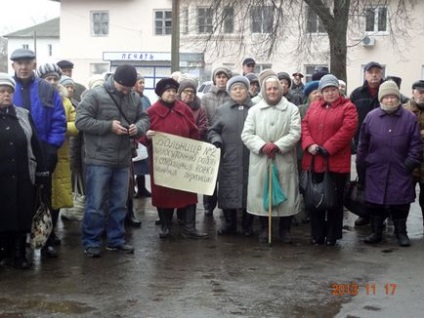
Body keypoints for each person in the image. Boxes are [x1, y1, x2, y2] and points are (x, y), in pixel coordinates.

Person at [75, 64, 150, 258]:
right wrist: (109, 126)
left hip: (123, 160)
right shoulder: (95, 95)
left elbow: (144, 118)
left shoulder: (134, 97)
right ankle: (91, 241)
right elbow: (80, 121)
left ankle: (116, 240)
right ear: (114, 81)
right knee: (96, 203)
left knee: (120, 203)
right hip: (98, 159)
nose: (126, 91)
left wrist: (138, 129)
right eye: (123, 87)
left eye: (129, 87)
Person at [11, 49, 66, 255]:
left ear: (34, 64)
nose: (23, 67)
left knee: (44, 199)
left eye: (27, 63)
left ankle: (46, 239)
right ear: (13, 66)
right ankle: (18, 243)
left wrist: (52, 148)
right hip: (15, 153)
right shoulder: (7, 87)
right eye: (19, 63)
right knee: (17, 198)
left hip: (43, 151)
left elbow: (58, 119)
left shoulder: (46, 88)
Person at [140, 78, 208, 239]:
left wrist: (194, 147)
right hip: (162, 161)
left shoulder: (183, 109)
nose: (171, 94)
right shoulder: (151, 112)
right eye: (167, 91)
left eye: (173, 91)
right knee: (165, 193)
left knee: (188, 193)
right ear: (160, 93)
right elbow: (141, 134)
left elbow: (193, 130)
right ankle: (166, 226)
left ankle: (189, 228)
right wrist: (147, 137)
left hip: (184, 159)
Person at [357, 81, 422, 247]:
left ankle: (401, 233)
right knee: (375, 203)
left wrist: (410, 163)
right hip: (376, 168)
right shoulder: (371, 117)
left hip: (400, 168)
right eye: (386, 97)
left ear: (398, 98)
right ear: (381, 99)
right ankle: (376, 232)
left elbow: (416, 144)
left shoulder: (409, 118)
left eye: (393, 96)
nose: (390, 100)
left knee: (400, 203)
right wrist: (362, 166)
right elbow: (363, 144)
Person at [241, 71, 301, 243]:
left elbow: (295, 132)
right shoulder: (254, 110)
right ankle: (264, 229)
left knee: (286, 195)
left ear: (280, 90)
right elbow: (246, 134)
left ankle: (285, 230)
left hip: (283, 159)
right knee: (261, 194)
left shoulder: (292, 109)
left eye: (275, 88)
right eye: (269, 89)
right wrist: (262, 146)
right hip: (261, 160)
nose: (273, 91)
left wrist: (278, 145)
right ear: (264, 90)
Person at [301, 74, 358, 246]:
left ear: (338, 90)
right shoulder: (314, 107)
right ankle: (317, 234)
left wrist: (328, 147)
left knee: (334, 200)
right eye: (326, 90)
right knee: (314, 199)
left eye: (333, 89)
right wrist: (309, 144)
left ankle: (332, 236)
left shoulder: (348, 107)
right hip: (314, 161)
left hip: (335, 163)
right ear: (321, 92)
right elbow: (304, 126)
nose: (330, 93)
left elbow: (348, 130)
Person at [0, 73, 48, 269]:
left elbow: (36, 144)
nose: (6, 95)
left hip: (23, 174)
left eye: (9, 92)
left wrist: (41, 171)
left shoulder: (24, 114)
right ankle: (4, 251)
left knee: (21, 214)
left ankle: (20, 253)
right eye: (2, 91)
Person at [36, 63, 79, 257]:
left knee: (56, 200)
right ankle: (37, 235)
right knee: (38, 198)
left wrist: (60, 128)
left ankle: (51, 233)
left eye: (55, 78)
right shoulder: (36, 98)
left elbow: (76, 124)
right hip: (39, 154)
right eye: (48, 79)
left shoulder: (65, 100)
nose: (52, 82)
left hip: (60, 156)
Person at [208, 76, 254, 236]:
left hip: (251, 157)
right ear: (229, 92)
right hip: (229, 157)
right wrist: (216, 140)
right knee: (228, 189)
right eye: (235, 88)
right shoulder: (222, 110)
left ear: (247, 90)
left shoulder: (255, 108)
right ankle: (230, 224)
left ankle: (247, 225)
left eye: (241, 88)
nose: (238, 91)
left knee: (250, 190)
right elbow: (213, 130)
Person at [349, 61, 384, 226]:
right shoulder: (357, 94)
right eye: (371, 72)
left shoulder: (388, 92)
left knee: (381, 181)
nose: (374, 75)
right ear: (365, 75)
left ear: (381, 74)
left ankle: (381, 216)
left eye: (377, 72)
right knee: (363, 181)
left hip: (383, 145)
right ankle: (365, 213)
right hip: (362, 144)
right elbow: (350, 118)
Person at [201, 66, 232, 217]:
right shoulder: (206, 97)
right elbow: (203, 117)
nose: (221, 79)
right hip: (210, 140)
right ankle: (208, 204)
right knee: (210, 175)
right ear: (214, 79)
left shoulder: (231, 96)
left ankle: (226, 206)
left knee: (226, 175)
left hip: (228, 140)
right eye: (218, 76)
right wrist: (211, 133)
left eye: (224, 77)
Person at [403, 80, 424, 229]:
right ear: (413, 92)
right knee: (403, 197)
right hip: (408, 160)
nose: (423, 95)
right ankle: (400, 229)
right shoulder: (404, 110)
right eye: (421, 92)